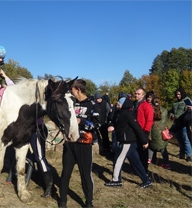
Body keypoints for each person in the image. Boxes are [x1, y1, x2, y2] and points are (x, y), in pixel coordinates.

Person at [59, 79, 100, 208]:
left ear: (78, 89)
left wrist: (82, 121)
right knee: (65, 174)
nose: (71, 92)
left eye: (72, 89)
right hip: (70, 144)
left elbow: (97, 124)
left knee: (85, 175)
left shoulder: (92, 104)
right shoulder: (71, 102)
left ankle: (88, 203)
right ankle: (63, 201)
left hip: (84, 144)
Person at [105, 96, 152, 188]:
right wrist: (111, 125)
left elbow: (137, 128)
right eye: (118, 102)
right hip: (124, 141)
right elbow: (113, 121)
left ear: (124, 104)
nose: (117, 103)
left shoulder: (128, 114)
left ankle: (116, 180)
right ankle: (147, 181)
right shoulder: (118, 113)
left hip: (128, 142)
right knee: (136, 163)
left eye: (120, 102)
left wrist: (144, 141)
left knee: (117, 159)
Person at [133, 88, 154, 174]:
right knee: (136, 150)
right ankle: (137, 167)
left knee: (143, 151)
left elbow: (149, 120)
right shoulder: (134, 104)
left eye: (138, 94)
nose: (136, 95)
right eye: (135, 93)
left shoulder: (146, 106)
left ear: (143, 95)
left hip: (142, 131)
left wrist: (145, 132)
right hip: (134, 130)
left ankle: (144, 169)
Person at [168, 88, 192, 161]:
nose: (178, 96)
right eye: (177, 94)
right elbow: (170, 111)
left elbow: (190, 111)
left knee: (186, 139)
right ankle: (182, 153)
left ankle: (188, 155)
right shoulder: (175, 103)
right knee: (180, 139)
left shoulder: (187, 101)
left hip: (184, 123)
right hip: (177, 123)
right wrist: (171, 115)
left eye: (179, 94)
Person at [147, 97, 171, 169]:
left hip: (154, 130)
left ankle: (149, 159)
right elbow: (165, 121)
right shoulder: (164, 110)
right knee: (163, 148)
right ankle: (166, 163)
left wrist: (149, 134)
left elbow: (150, 122)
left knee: (151, 147)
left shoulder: (151, 110)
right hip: (162, 130)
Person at [94, 91, 111, 156]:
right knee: (96, 136)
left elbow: (108, 111)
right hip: (96, 123)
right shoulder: (94, 104)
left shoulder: (105, 103)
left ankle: (107, 149)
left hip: (104, 123)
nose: (100, 99)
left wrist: (107, 120)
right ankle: (100, 148)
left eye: (100, 98)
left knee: (105, 137)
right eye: (98, 98)